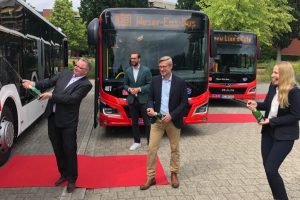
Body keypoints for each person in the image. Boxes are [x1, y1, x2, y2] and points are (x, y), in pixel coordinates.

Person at [22, 58, 93, 193]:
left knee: (69, 149)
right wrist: (33, 83)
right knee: (57, 148)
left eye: (79, 67)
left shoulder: (86, 84)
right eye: (75, 65)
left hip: (68, 122)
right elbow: (48, 82)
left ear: (86, 71)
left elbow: (72, 99)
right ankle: (63, 174)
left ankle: (72, 179)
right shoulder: (65, 73)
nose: (75, 68)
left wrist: (51, 95)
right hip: (53, 118)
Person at [247, 61, 300, 200]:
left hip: (285, 136)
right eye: (273, 72)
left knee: (271, 168)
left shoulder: (294, 91)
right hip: (268, 133)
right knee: (268, 169)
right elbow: (267, 105)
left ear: (284, 74)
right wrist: (256, 104)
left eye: (276, 72)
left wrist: (272, 121)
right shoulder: (272, 86)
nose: (272, 75)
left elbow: (296, 115)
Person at [140, 56, 188, 190]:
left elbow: (184, 103)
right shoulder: (155, 81)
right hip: (157, 120)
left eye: (164, 67)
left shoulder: (180, 82)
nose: (162, 69)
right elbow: (150, 98)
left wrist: (172, 115)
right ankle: (151, 177)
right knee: (151, 148)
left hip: (173, 120)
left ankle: (174, 173)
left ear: (171, 67)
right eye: (160, 67)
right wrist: (150, 107)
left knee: (174, 148)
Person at [124, 52, 152, 150]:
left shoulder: (146, 70)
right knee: (134, 123)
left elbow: (150, 84)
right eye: (131, 58)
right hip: (132, 100)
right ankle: (137, 142)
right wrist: (129, 89)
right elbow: (125, 84)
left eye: (135, 58)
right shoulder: (127, 71)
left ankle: (150, 143)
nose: (133, 60)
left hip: (144, 100)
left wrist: (139, 89)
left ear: (139, 59)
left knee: (147, 122)